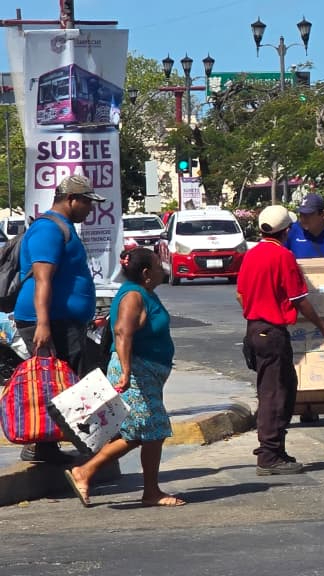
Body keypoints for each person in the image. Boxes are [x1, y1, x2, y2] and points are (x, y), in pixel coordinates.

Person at [64, 248, 185, 507]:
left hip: (146, 373)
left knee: (139, 431)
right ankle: (141, 488)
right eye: (157, 266)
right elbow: (122, 332)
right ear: (146, 273)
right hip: (135, 372)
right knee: (154, 428)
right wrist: (127, 371)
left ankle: (88, 473)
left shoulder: (144, 293)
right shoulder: (133, 295)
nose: (163, 270)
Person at [236, 205, 324, 476]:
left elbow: (241, 295)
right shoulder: (283, 256)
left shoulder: (251, 255)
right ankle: (269, 455)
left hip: (255, 329)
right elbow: (299, 300)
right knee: (275, 394)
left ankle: (275, 450)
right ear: (287, 230)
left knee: (282, 388)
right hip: (272, 333)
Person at [14, 174, 103, 464]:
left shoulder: (64, 228)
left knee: (61, 383)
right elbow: (42, 279)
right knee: (67, 384)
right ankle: (62, 448)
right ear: (71, 199)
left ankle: (49, 446)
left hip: (62, 321)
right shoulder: (48, 229)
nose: (90, 208)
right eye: (87, 202)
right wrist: (43, 323)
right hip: (50, 322)